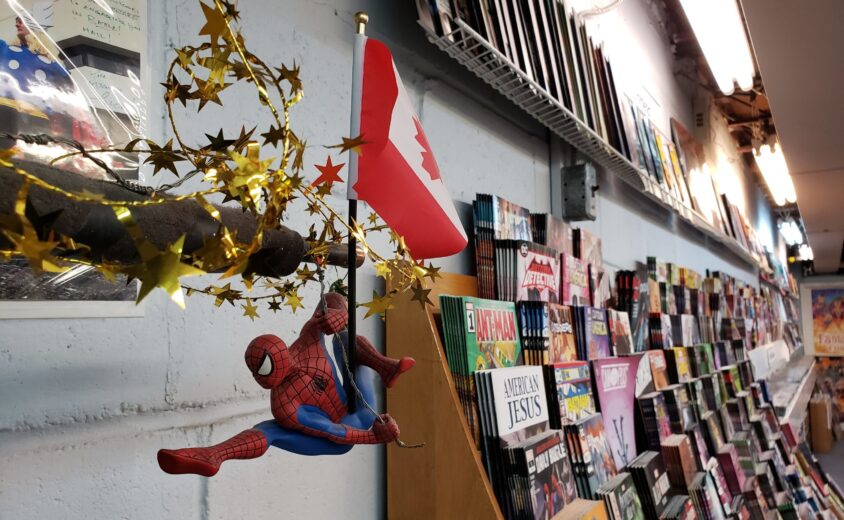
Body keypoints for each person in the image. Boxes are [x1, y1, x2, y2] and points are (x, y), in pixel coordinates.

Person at [157, 293, 415, 476]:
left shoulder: (308, 340)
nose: (260, 379)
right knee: (270, 430)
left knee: (343, 338)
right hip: (339, 438)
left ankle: (386, 367)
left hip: (360, 412)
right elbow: (332, 432)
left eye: (263, 368)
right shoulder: (284, 405)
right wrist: (374, 437)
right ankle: (215, 455)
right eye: (255, 372)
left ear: (281, 354)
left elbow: (330, 299)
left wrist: (337, 314)